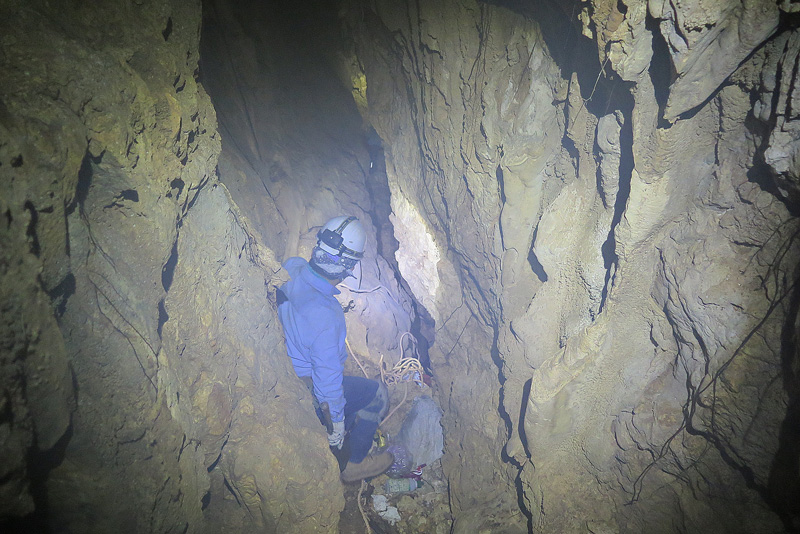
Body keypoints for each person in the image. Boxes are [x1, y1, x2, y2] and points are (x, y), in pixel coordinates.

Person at [277, 215, 393, 482]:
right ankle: (354, 464)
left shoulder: (291, 268)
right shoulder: (326, 315)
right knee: (377, 395)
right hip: (310, 392)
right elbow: (327, 382)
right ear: (349, 265)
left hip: (288, 375)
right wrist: (337, 427)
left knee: (349, 394)